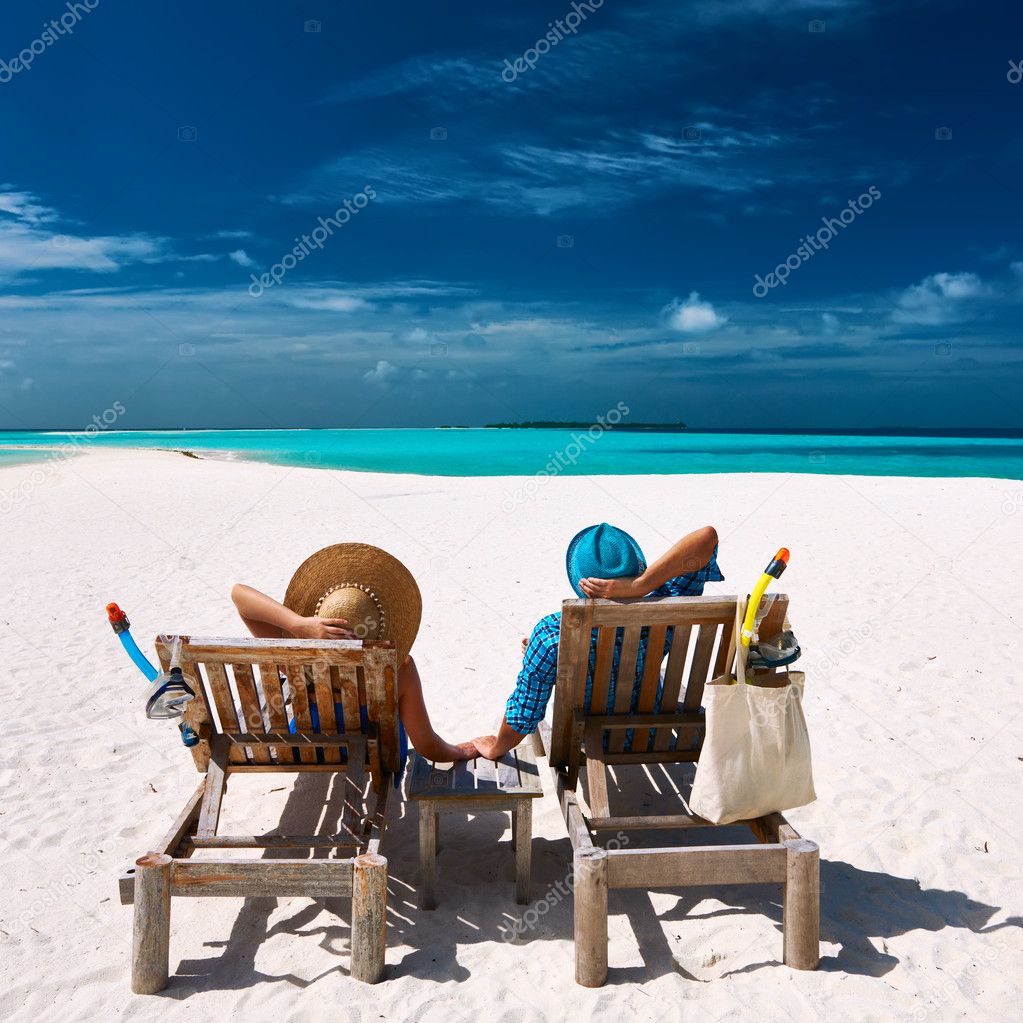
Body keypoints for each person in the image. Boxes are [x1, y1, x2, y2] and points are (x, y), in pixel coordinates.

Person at [469, 523, 722, 760]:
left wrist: (495, 747)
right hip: (652, 730)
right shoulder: (668, 607)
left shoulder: (552, 634)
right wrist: (641, 586)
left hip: (588, 738)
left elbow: (526, 709)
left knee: (542, 660)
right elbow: (707, 538)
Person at [232, 542, 477, 762]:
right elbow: (428, 747)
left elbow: (238, 594)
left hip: (305, 749)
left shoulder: (296, 658)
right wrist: (460, 751)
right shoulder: (399, 669)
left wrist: (298, 624)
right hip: (377, 754)